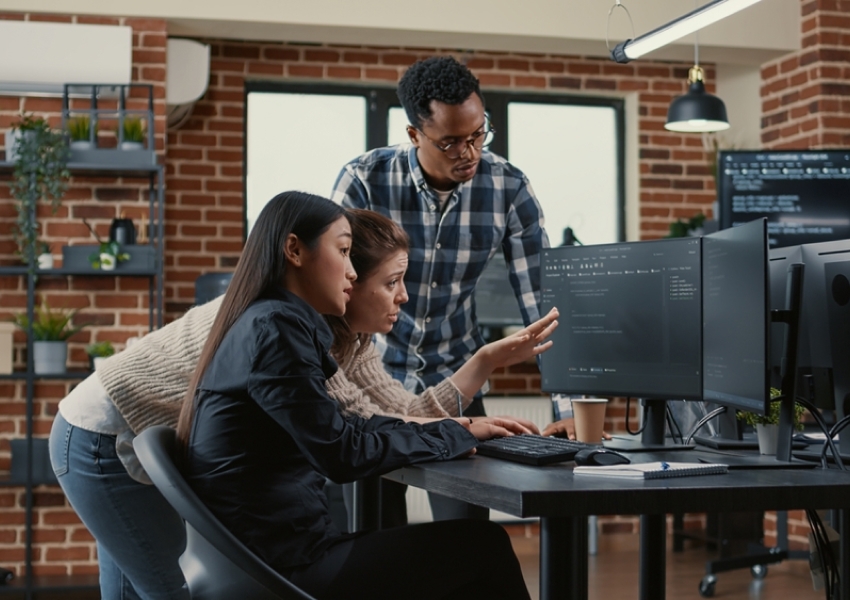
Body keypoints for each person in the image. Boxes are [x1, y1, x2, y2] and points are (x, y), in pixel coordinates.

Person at [48, 198, 556, 600]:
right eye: (389, 280)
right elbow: (347, 442)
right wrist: (455, 431)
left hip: (246, 522)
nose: (400, 296)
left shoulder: (321, 332)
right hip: (101, 432)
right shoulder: (278, 328)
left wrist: (476, 377)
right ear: (302, 255)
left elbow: (385, 416)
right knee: (159, 592)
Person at [177, 191, 533, 599]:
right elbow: (343, 452)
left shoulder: (271, 320)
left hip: (266, 553)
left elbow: (346, 426)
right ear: (294, 250)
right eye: (344, 252)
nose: (351, 272)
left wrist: (456, 427)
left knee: (460, 551)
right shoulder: (276, 330)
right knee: (483, 546)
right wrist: (457, 435)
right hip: (283, 565)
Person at [331, 55, 551, 520]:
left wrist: (569, 402)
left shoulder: (508, 188)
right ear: (414, 134)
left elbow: (540, 300)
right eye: (451, 142)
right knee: (370, 535)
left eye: (477, 135)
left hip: (457, 376)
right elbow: (333, 295)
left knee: (466, 535)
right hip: (372, 381)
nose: (469, 153)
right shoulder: (364, 181)